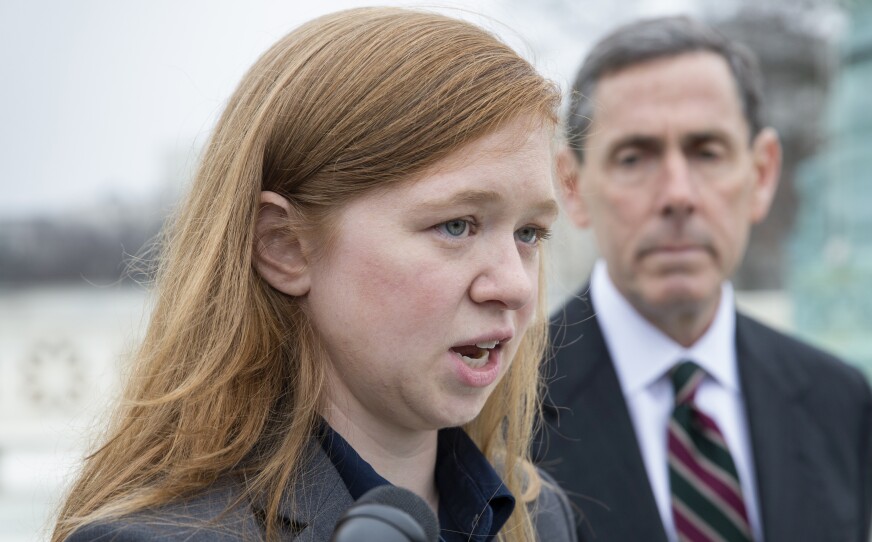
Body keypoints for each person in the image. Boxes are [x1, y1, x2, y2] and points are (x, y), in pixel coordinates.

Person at [53, 7, 578, 542]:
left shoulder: (536, 516)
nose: (516, 287)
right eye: (456, 226)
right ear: (285, 246)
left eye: (529, 233)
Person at [535, 15, 872, 542]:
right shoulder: (502, 412)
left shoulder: (840, 402)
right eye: (634, 157)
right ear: (574, 186)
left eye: (707, 152)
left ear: (761, 174)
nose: (678, 194)